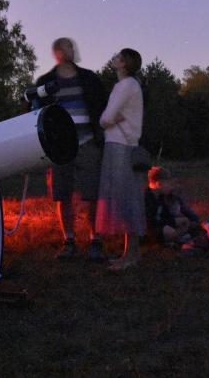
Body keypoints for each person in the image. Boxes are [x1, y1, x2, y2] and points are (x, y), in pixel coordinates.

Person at [33, 38, 108, 260]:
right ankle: (69, 240)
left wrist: (100, 135)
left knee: (92, 194)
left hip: (87, 143)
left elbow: (102, 107)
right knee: (62, 194)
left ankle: (95, 240)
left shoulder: (89, 79)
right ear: (56, 53)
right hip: (60, 146)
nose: (69, 50)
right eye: (64, 47)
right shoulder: (46, 81)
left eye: (71, 47)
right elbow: (36, 112)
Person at [95, 48, 145, 271]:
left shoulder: (125, 86)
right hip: (125, 145)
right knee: (127, 198)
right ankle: (129, 253)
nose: (114, 58)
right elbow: (110, 118)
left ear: (124, 63)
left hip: (119, 146)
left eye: (117, 57)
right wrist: (113, 118)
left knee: (125, 199)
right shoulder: (132, 86)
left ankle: (130, 256)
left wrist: (111, 119)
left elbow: (105, 119)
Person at [145, 166, 199, 245]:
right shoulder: (146, 197)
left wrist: (177, 220)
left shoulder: (161, 196)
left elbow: (166, 215)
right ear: (158, 184)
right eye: (168, 184)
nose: (171, 187)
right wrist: (173, 222)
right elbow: (150, 222)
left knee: (185, 222)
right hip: (150, 230)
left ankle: (175, 239)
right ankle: (177, 238)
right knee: (169, 231)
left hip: (162, 225)